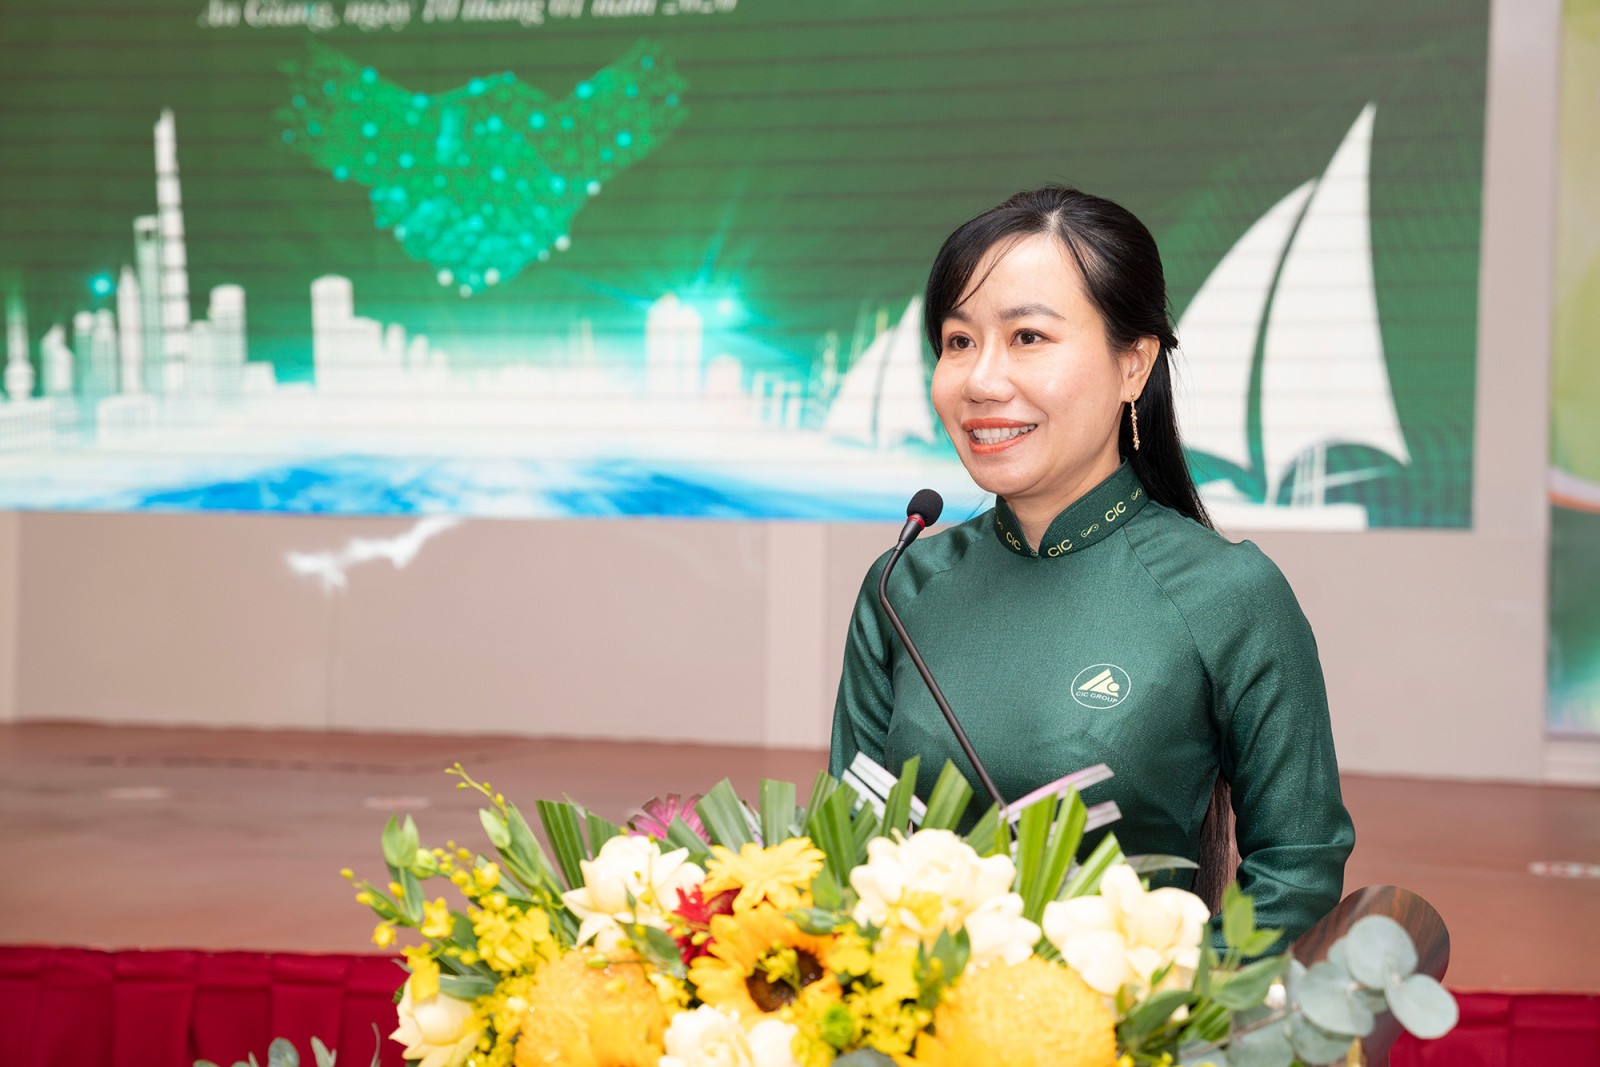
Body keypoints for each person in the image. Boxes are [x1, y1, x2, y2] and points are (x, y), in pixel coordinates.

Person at [828, 186, 1354, 945]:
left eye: (1028, 337)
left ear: (1133, 364)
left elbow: (1298, 872)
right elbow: (847, 849)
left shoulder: (1228, 594)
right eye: (958, 341)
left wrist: (1169, 993)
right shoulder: (901, 586)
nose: (980, 380)